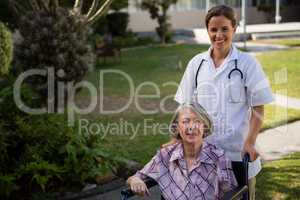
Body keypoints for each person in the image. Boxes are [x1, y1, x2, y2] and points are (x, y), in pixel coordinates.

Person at [172, 5, 273, 200]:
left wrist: (250, 142)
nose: (219, 35)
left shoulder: (247, 63)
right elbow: (185, 108)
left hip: (238, 154)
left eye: (224, 29)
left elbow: (258, 106)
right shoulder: (197, 64)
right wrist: (178, 141)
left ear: (234, 28)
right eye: (214, 29)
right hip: (204, 155)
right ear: (208, 31)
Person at [127, 103, 237, 200]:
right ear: (177, 127)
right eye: (185, 121)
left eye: (197, 121)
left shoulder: (219, 157)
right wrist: (135, 181)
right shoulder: (165, 155)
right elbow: (136, 177)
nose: (191, 127)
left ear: (204, 127)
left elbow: (231, 194)